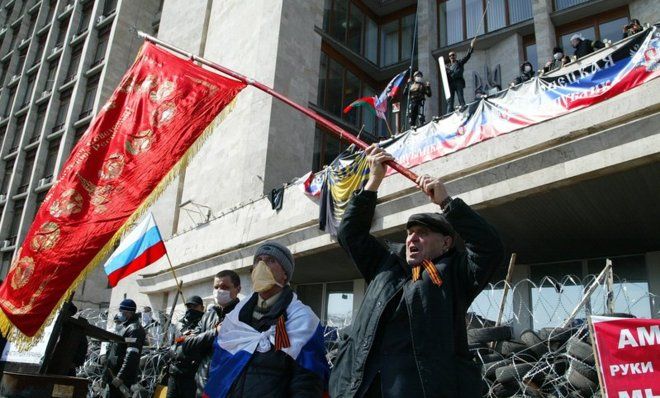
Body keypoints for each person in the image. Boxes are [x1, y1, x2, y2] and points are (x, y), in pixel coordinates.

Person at [329, 145, 505, 398]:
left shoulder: (457, 274)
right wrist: (374, 181)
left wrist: (447, 203)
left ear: (446, 243)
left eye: (423, 233)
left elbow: (490, 248)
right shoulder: (385, 265)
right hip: (361, 388)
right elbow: (350, 233)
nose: (412, 239)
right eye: (410, 233)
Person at [203, 242, 328, 398]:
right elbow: (219, 367)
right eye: (258, 260)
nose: (262, 266)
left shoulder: (303, 320)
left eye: (270, 260)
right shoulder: (236, 316)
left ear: (285, 274)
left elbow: (307, 382)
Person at [180, 270, 242, 397]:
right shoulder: (208, 315)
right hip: (202, 385)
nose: (219, 291)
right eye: (216, 287)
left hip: (229, 388)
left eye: (225, 287)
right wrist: (214, 332)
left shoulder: (243, 315)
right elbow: (186, 345)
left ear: (238, 289)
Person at [166, 296, 206, 398]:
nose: (191, 309)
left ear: (202, 308)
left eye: (194, 306)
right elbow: (173, 343)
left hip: (191, 374)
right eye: (189, 306)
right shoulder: (179, 324)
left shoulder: (204, 324)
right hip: (174, 372)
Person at [106, 299, 146, 398]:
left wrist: (121, 376)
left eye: (122, 311)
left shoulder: (134, 329)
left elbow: (131, 355)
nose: (120, 314)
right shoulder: (126, 327)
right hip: (113, 373)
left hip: (122, 377)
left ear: (129, 313)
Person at [445, 37, 476, 114]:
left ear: (455, 56)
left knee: (460, 96)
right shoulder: (447, 66)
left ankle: (463, 106)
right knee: (450, 99)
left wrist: (471, 46)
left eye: (453, 55)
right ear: (449, 57)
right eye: (450, 56)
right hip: (451, 83)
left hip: (458, 81)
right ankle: (449, 112)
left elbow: (467, 56)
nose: (452, 56)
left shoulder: (459, 62)